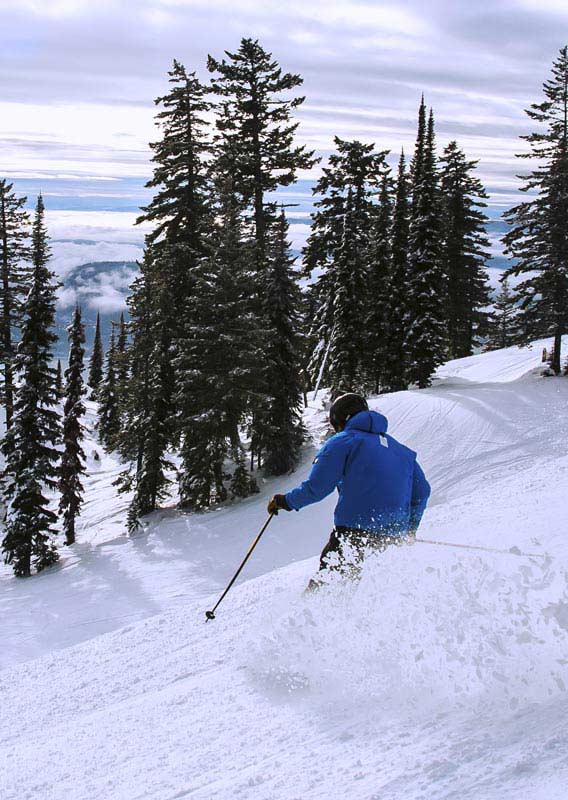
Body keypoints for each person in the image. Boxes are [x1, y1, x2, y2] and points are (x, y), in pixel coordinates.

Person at [267, 393, 431, 584]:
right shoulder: (402, 451)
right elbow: (422, 491)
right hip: (392, 538)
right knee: (375, 593)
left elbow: (317, 488)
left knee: (328, 591)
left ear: (339, 419)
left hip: (355, 534)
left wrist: (284, 501)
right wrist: (409, 530)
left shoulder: (343, 441)